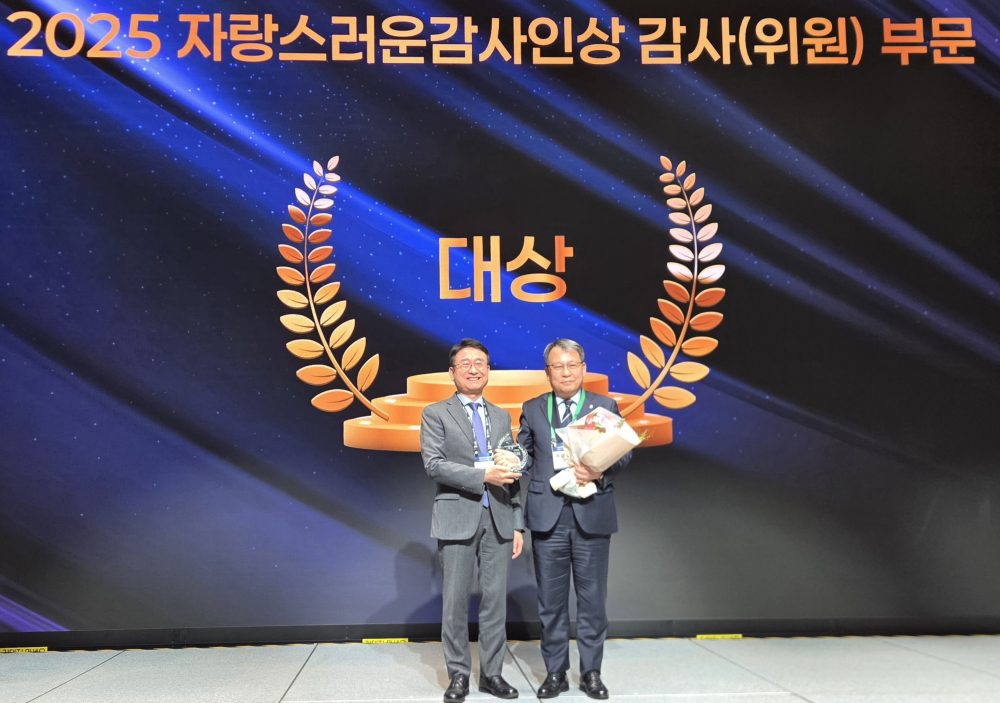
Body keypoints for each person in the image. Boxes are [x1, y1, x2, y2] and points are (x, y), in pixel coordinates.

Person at [516, 339, 632, 700]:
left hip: (591, 514)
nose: (565, 372)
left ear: (583, 368)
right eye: (557, 366)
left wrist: (599, 472)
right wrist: (509, 459)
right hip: (548, 515)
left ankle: (592, 672)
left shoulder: (603, 406)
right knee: (551, 603)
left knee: (592, 601)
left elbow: (623, 454)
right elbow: (523, 454)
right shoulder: (533, 408)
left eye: (572, 365)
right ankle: (555, 673)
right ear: (547, 372)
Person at [420, 339, 525, 703]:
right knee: (454, 600)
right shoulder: (435, 413)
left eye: (480, 362)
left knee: (495, 601)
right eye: (465, 363)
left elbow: (511, 470)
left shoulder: (501, 416)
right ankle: (459, 675)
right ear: (452, 372)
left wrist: (517, 521)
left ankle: (492, 675)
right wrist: (482, 476)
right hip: (456, 515)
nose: (473, 369)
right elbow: (434, 464)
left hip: (499, 517)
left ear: (489, 370)